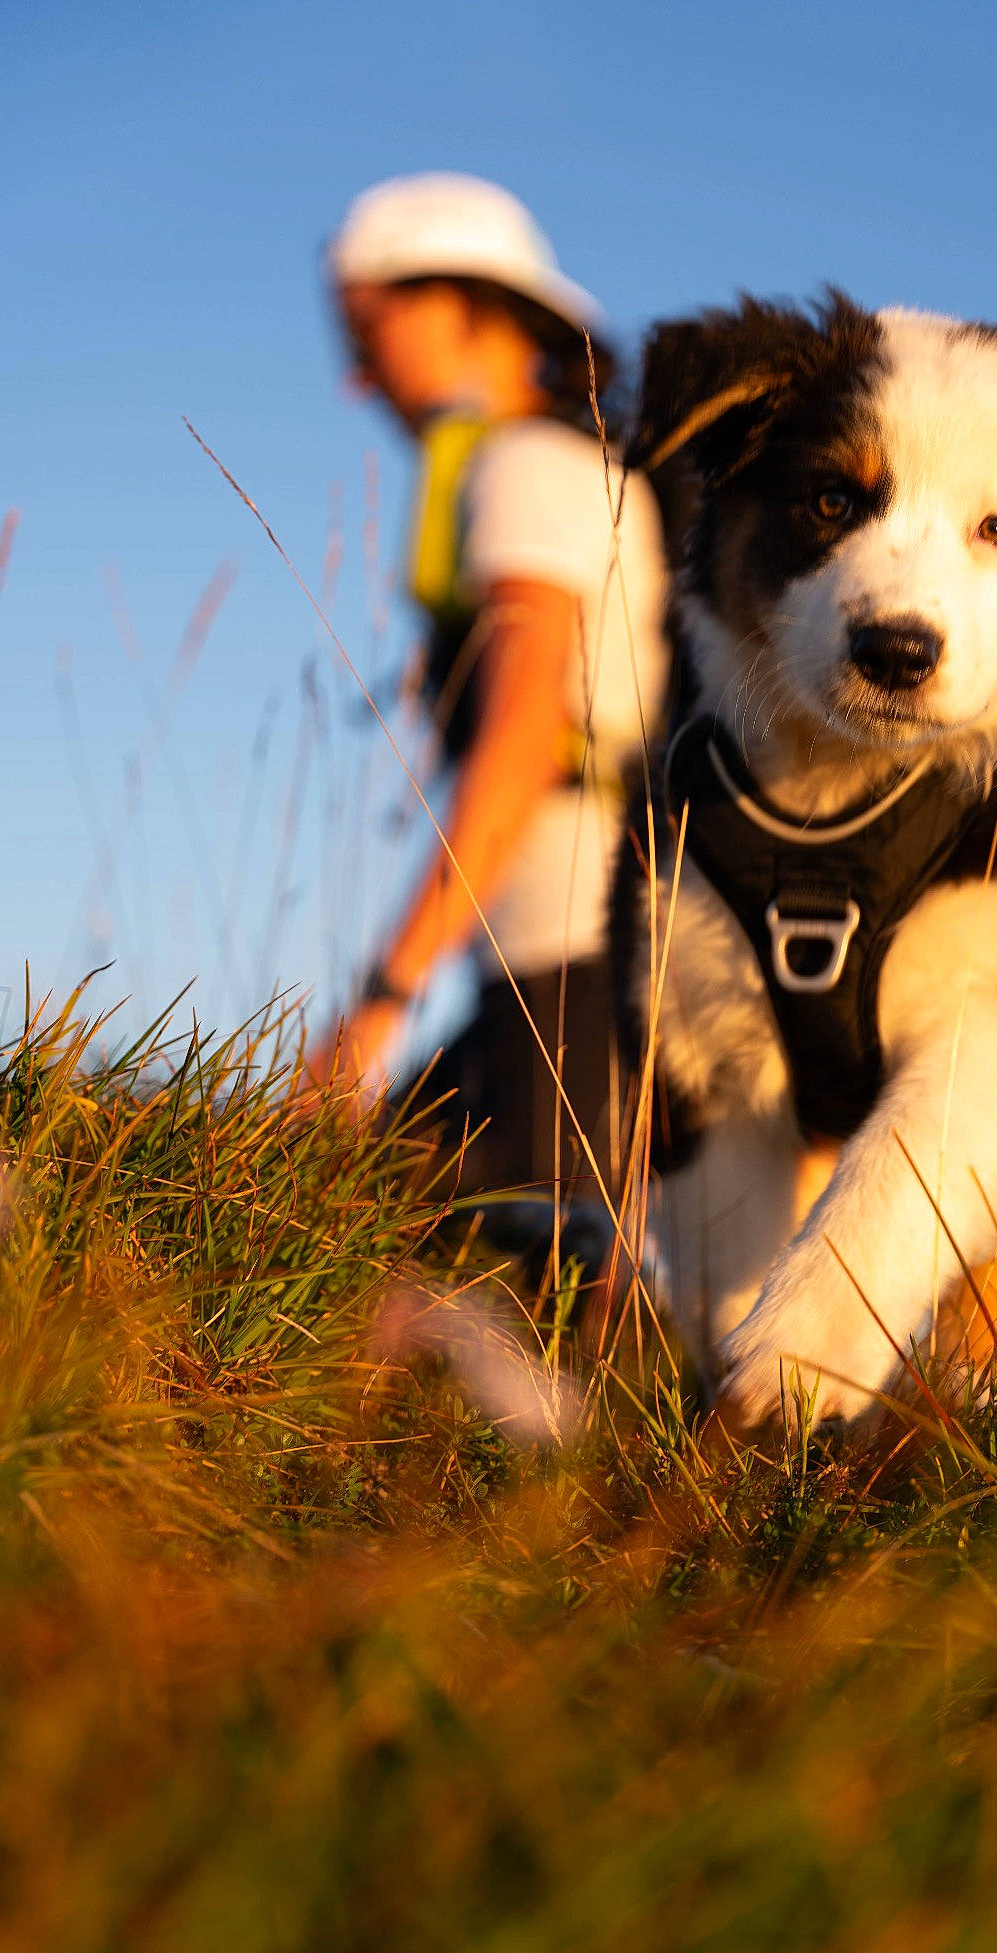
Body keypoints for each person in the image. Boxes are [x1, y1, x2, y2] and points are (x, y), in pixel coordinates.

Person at [318, 176, 671, 1206]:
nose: (355, 378)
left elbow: (521, 742)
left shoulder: (522, 466)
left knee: (529, 1273)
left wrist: (380, 1002)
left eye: (367, 332)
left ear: (458, 306)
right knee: (358, 1213)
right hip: (566, 958)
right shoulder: (569, 462)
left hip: (576, 960)